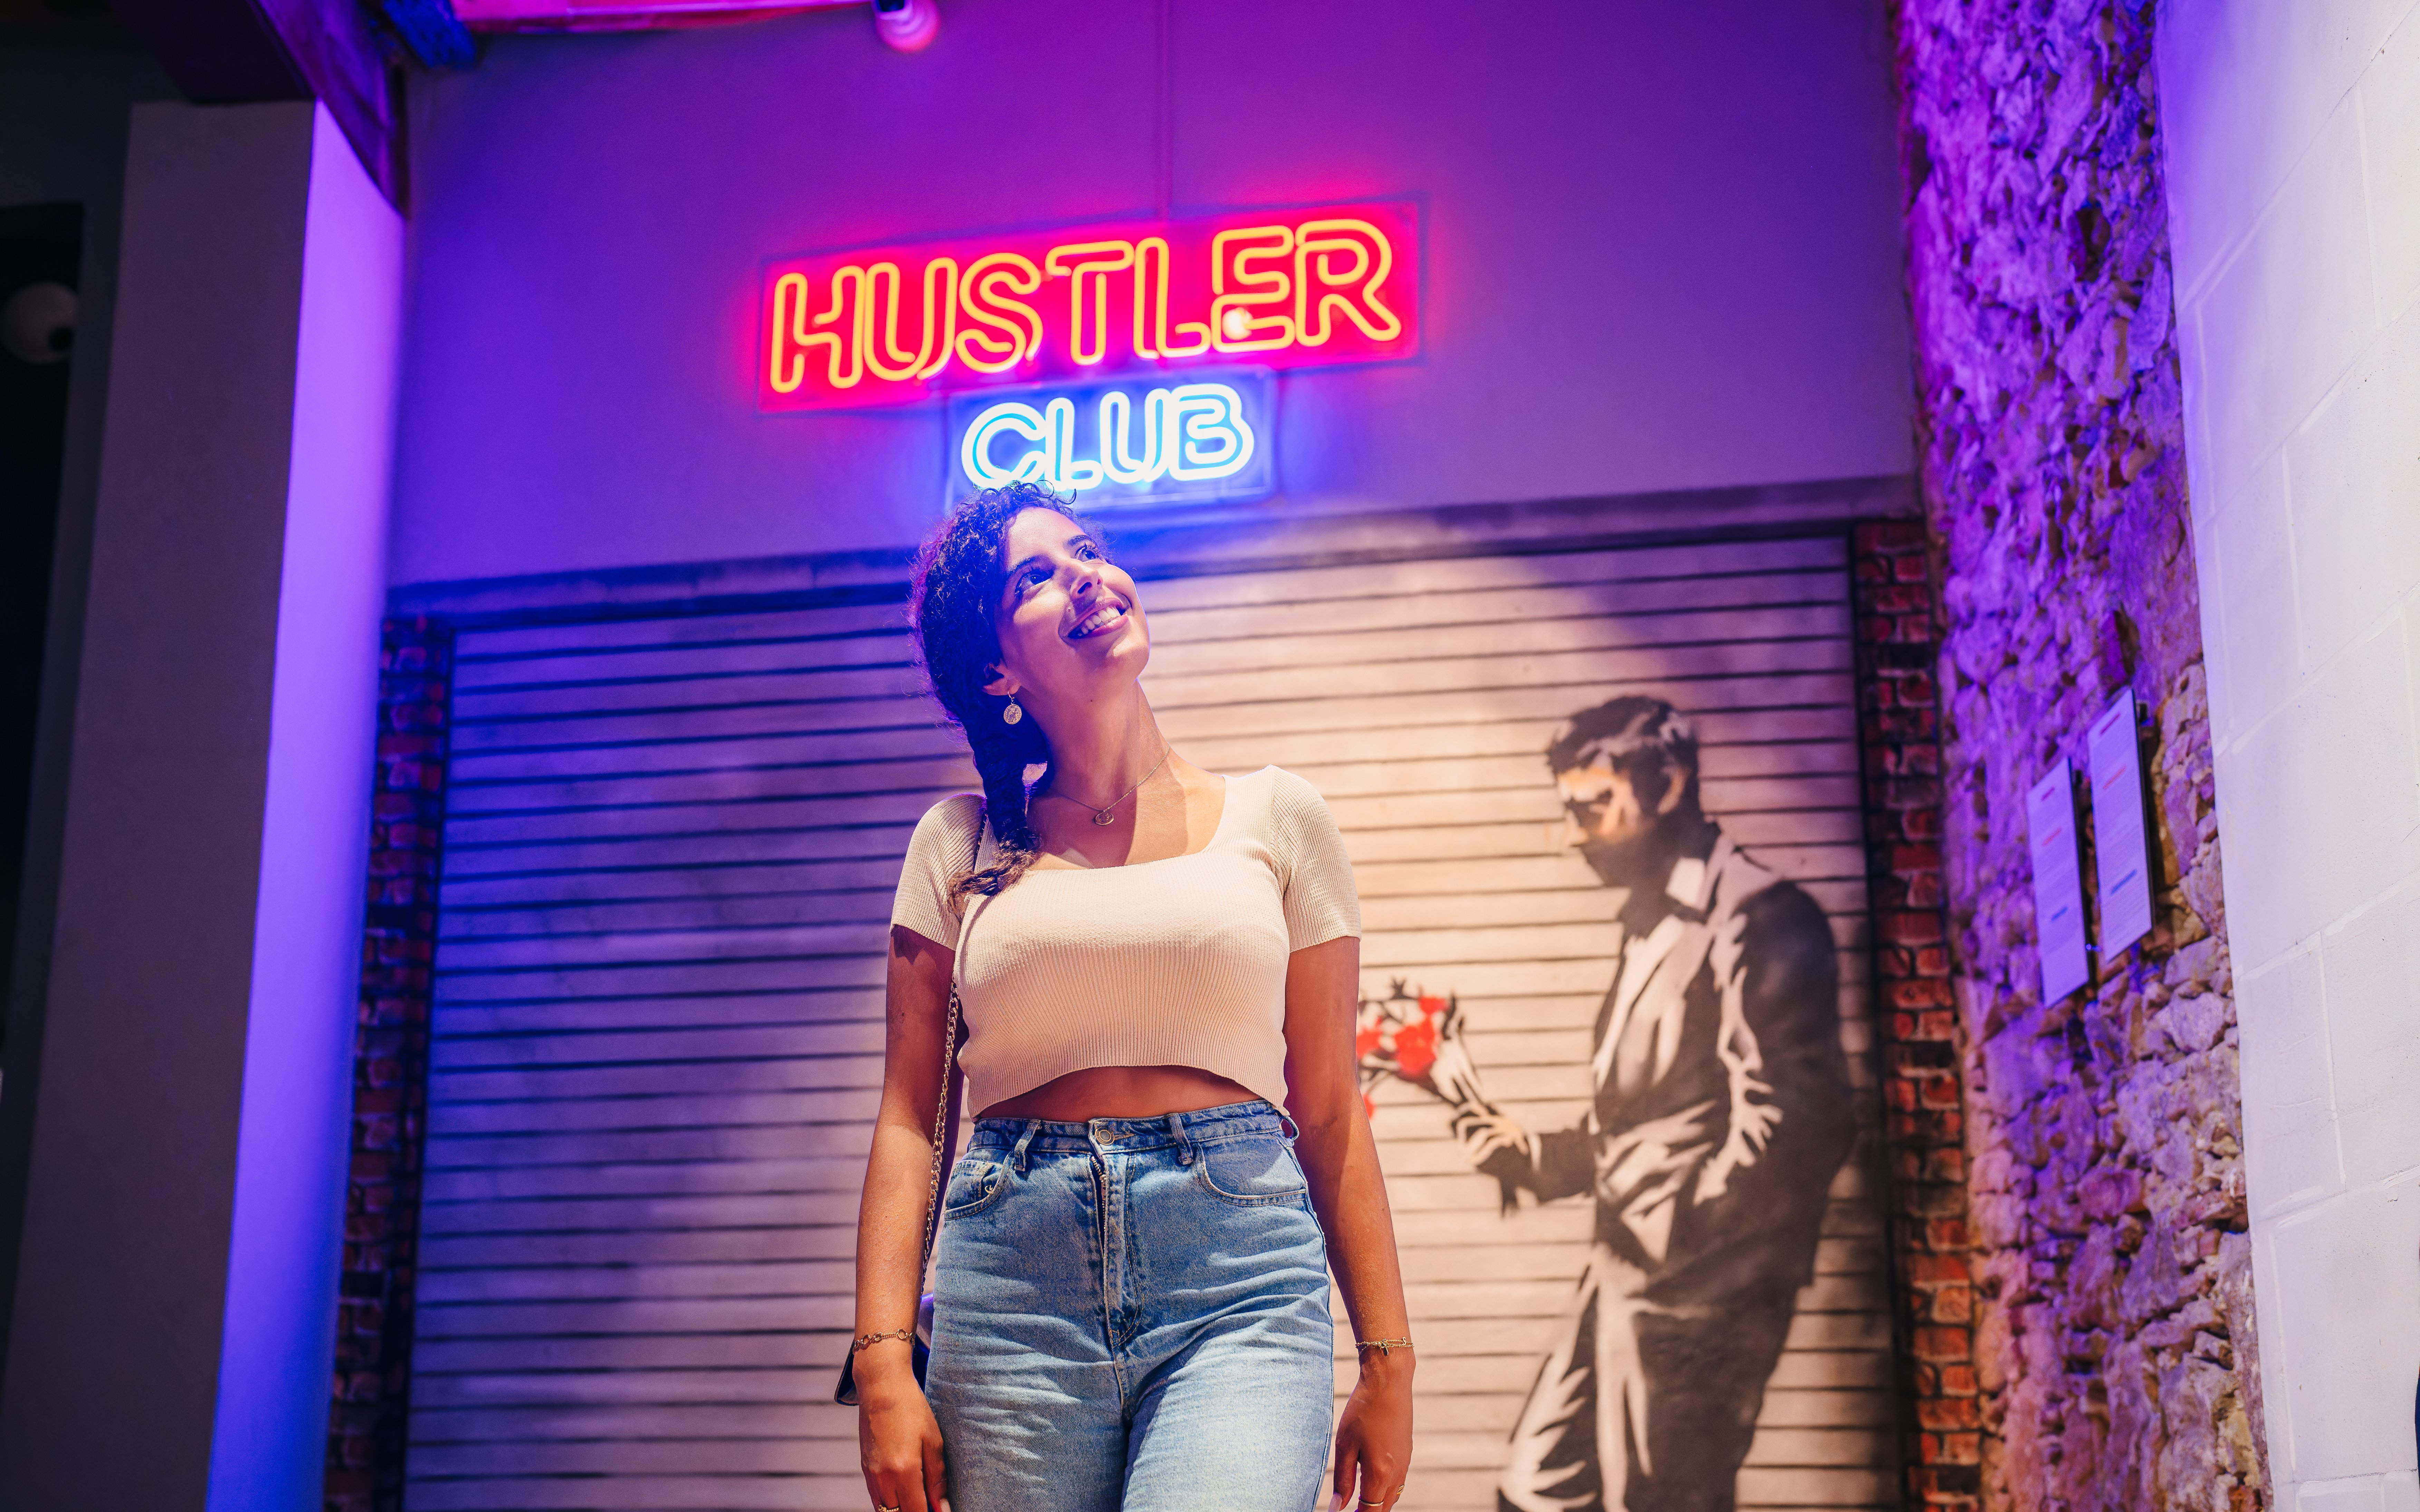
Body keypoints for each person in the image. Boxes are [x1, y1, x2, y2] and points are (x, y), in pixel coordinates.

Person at [850, 481, 1416, 1512]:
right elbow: (906, 1121)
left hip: (1239, 1278)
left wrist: (1390, 1359)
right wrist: (884, 1359)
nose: (1085, 579)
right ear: (995, 665)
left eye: (1088, 552)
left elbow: (1332, 1110)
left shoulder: (1280, 818)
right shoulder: (958, 844)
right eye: (1035, 576)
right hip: (1011, 1290)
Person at [1442, 696, 1857, 1512]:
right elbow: (1650, 1124)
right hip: (1626, 1275)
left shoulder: (1759, 917)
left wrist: (1678, 1243)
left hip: (1696, 1292)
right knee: (1538, 1489)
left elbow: (1798, 1128)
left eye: (1591, 807)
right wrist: (1536, 1158)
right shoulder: (1654, 925)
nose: (1572, 836)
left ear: (1667, 784)